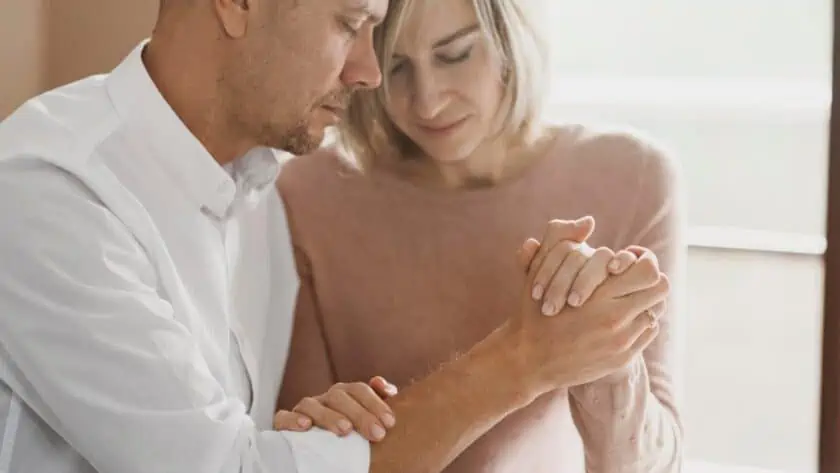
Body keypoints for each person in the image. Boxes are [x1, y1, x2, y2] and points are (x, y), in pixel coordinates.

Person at [0, 0, 670, 472]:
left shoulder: (264, 190)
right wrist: (528, 356)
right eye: (350, 23)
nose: (370, 73)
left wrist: (318, 433)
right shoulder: (49, 190)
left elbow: (263, 443)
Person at [275, 0, 685, 471]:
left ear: (511, 39)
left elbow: (651, 464)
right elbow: (299, 451)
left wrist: (606, 352)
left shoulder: (633, 179)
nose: (427, 100)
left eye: (455, 55)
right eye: (397, 66)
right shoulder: (309, 195)